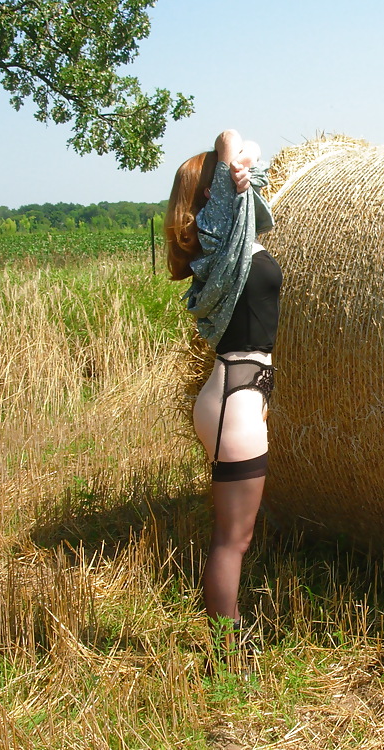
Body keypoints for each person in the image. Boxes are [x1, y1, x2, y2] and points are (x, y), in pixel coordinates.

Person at [164, 129, 282, 662]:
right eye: (226, 173)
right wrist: (231, 163)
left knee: (233, 536)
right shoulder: (220, 238)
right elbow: (233, 136)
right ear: (211, 193)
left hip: (229, 392)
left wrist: (239, 173)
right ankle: (228, 656)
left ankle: (227, 643)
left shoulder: (226, 246)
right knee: (233, 540)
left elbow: (251, 156)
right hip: (235, 397)